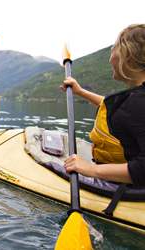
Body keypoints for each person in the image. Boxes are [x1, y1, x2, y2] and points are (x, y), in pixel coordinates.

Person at [60, 24, 145, 187]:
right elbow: (118, 109)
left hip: (132, 185)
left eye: (114, 49)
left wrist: (91, 170)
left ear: (127, 55)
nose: (110, 58)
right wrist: (80, 91)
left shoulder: (138, 102)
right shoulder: (136, 99)